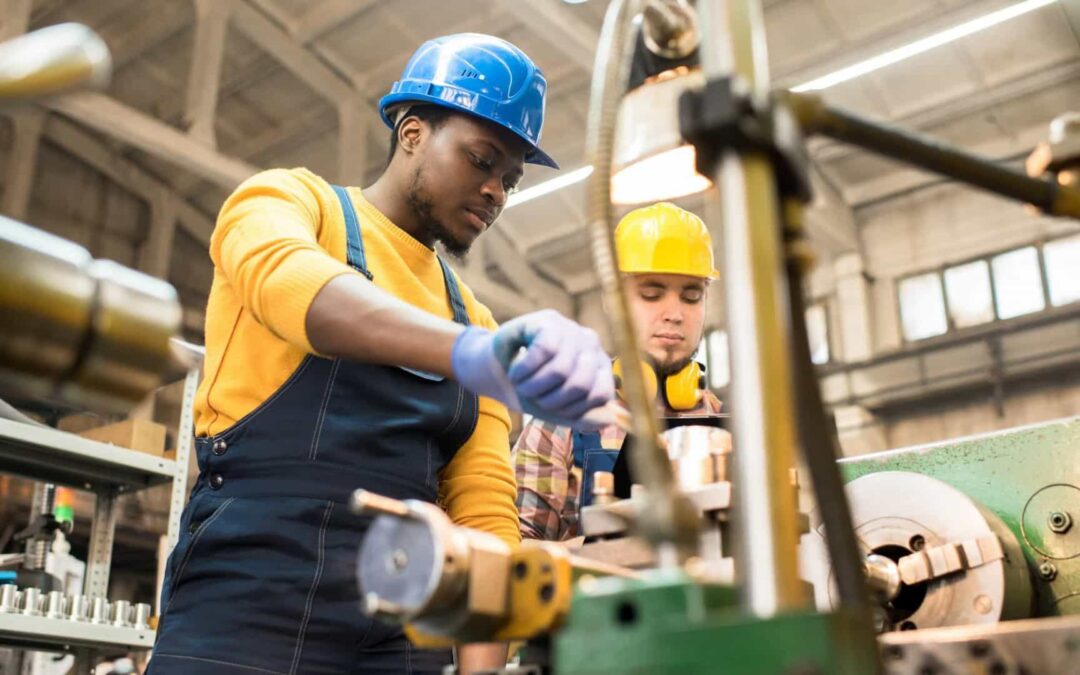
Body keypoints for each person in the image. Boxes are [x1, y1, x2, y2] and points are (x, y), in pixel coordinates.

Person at [147, 34, 613, 675]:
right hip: (249, 603)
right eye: (481, 160)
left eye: (509, 178)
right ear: (413, 132)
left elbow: (483, 515)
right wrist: (470, 354)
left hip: (403, 628)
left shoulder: (473, 315)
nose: (496, 192)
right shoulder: (291, 204)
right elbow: (293, 286)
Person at [513, 202, 723, 541]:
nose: (674, 313)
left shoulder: (722, 426)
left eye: (691, 296)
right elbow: (518, 554)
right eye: (652, 294)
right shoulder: (559, 422)